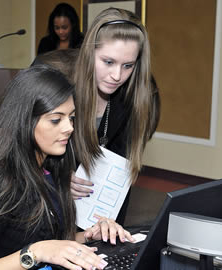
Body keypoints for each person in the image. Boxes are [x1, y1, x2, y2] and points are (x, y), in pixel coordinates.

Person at [0, 66, 134, 270]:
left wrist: (89, 235)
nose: (69, 128)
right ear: (24, 121)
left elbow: (51, 240)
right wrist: (34, 253)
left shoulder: (52, 169)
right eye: (56, 120)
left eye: (71, 118)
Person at [72, 8, 161, 225]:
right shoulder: (59, 88)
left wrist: (109, 231)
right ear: (89, 53)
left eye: (128, 65)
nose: (117, 76)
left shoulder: (133, 101)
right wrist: (53, 179)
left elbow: (119, 180)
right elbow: (22, 156)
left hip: (96, 215)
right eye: (108, 62)